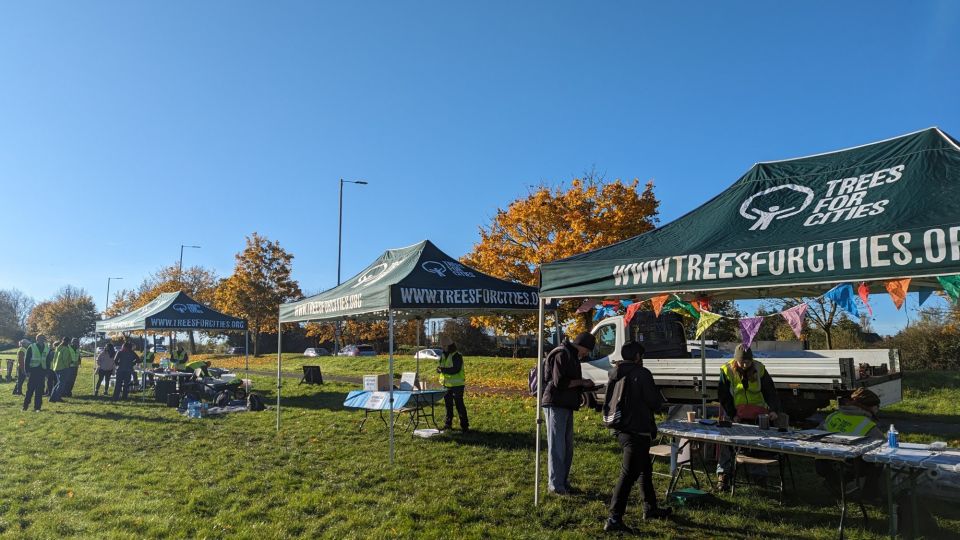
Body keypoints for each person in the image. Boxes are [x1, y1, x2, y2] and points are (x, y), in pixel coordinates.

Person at [604, 341, 672, 533]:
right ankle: (614, 518)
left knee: (644, 470)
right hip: (638, 428)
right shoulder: (641, 373)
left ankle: (650, 508)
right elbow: (653, 401)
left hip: (620, 427)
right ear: (637, 357)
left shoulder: (614, 373)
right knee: (628, 475)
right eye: (641, 356)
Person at [716, 344, 782, 491]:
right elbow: (724, 396)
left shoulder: (760, 368)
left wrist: (773, 409)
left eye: (748, 361)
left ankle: (759, 475)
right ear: (735, 360)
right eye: (742, 362)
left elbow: (770, 390)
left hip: (757, 414)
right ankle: (723, 475)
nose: (745, 364)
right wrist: (732, 415)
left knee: (758, 443)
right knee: (726, 441)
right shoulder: (726, 370)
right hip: (734, 413)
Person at [541, 332, 596, 495]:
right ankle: (555, 486)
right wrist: (582, 382)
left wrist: (586, 386)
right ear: (582, 345)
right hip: (555, 403)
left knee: (566, 446)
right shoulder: (562, 354)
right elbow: (560, 382)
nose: (586, 354)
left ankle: (562, 481)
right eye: (587, 350)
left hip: (566, 404)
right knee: (557, 447)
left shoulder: (571, 355)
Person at [436, 335, 468, 432]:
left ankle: (464, 426)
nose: (442, 347)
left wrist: (443, 370)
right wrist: (439, 369)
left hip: (457, 385)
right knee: (448, 406)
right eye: (442, 346)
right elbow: (443, 367)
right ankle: (448, 424)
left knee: (459, 405)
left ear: (449, 346)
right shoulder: (443, 355)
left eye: (444, 346)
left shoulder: (457, 356)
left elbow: (456, 369)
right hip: (446, 385)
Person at [22, 334, 52, 411]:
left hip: (42, 371)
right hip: (33, 371)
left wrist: (48, 371)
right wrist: (27, 371)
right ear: (37, 339)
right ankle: (25, 406)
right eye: (39, 338)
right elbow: (27, 359)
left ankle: (37, 407)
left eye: (42, 338)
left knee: (39, 390)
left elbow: (48, 361)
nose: (41, 339)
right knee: (30, 390)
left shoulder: (47, 348)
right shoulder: (32, 347)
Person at [49, 337, 73, 403]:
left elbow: (55, 358)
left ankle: (52, 397)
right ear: (68, 342)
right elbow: (65, 360)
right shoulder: (66, 349)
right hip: (63, 368)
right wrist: (68, 365)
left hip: (56, 367)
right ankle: (57, 397)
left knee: (58, 383)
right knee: (61, 384)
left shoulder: (58, 348)